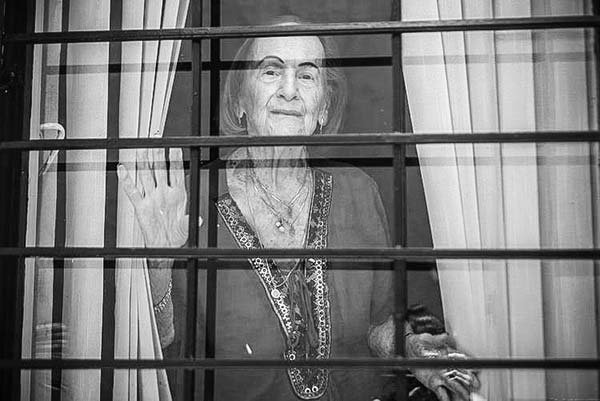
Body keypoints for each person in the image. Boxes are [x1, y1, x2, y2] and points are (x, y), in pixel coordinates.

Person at [117, 16, 479, 401]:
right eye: (271, 71)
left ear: (324, 108)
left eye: (307, 76)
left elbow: (377, 325)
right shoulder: (189, 198)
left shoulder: (358, 192)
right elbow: (164, 345)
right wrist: (158, 261)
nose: (289, 91)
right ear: (239, 101)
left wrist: (413, 350)